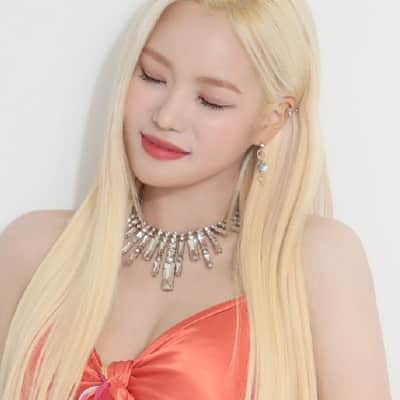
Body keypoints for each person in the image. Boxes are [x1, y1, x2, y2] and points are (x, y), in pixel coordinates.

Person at [0, 0, 392, 399]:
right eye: (152, 76)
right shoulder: (34, 251)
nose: (166, 117)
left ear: (271, 119)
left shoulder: (311, 262)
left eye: (211, 100)